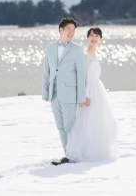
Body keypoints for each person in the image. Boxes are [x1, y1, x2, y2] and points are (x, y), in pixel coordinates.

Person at [64, 27, 119, 162]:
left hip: (98, 92)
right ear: (87, 38)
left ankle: (97, 150)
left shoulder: (94, 54)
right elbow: (84, 77)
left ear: (101, 39)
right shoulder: (85, 55)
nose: (94, 38)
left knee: (99, 123)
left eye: (97, 36)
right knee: (86, 123)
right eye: (92, 35)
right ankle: (81, 153)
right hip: (89, 92)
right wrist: (85, 95)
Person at [42, 17, 87, 166]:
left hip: (70, 93)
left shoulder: (78, 50)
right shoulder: (50, 48)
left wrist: (81, 97)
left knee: (70, 126)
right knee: (60, 126)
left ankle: (73, 156)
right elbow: (46, 71)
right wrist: (45, 92)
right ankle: (67, 155)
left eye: (73, 30)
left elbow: (81, 75)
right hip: (54, 93)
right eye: (69, 29)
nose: (71, 32)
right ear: (61, 29)